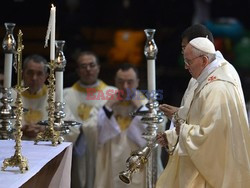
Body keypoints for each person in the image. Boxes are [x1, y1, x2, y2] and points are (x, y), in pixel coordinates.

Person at [156, 37, 250, 187]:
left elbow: (213, 138)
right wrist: (172, 136)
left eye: (189, 61)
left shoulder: (217, 88)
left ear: (205, 60)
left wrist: (183, 130)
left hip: (210, 174)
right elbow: (199, 121)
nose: (186, 66)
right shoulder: (208, 78)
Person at [94, 63, 166, 188]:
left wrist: (140, 108)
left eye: (130, 82)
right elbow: (92, 129)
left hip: (140, 167)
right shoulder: (107, 104)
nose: (125, 87)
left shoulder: (146, 105)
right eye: (120, 82)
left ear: (137, 82)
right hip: (112, 166)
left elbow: (159, 130)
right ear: (115, 82)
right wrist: (107, 108)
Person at [63, 51, 116, 188]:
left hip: (102, 151)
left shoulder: (112, 93)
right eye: (83, 66)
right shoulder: (65, 95)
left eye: (92, 65)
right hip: (75, 154)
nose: (88, 70)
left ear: (98, 68)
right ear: (77, 70)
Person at [20, 54, 48, 139]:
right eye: (30, 73)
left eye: (39, 74)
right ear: (22, 73)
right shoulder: (9, 97)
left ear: (46, 77)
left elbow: (72, 130)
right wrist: (21, 130)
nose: (34, 78)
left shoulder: (54, 98)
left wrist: (45, 129)